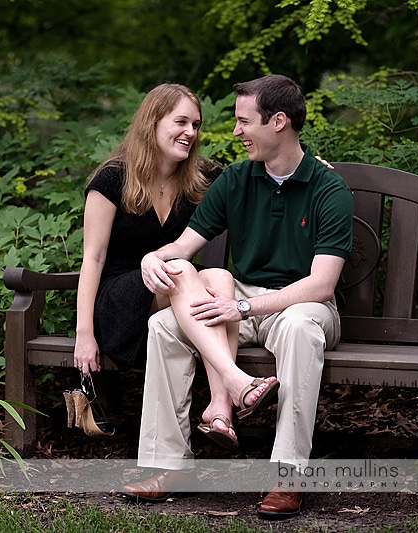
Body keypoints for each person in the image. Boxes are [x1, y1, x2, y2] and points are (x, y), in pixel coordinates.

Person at [119, 74, 354, 520]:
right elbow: (184, 247)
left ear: (279, 121)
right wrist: (155, 256)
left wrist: (243, 306)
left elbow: (322, 285)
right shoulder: (235, 180)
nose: (235, 132)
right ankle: (169, 467)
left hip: (302, 303)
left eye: (244, 121)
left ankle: (287, 478)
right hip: (242, 299)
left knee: (302, 329)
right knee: (163, 325)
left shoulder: (329, 189)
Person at [73, 83, 278, 436]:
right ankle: (235, 381)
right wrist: (84, 333)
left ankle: (219, 409)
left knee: (220, 279)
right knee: (184, 269)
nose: (190, 133)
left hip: (173, 292)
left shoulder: (198, 178)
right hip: (120, 302)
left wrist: (312, 166)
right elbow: (92, 259)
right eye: (180, 122)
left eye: (195, 125)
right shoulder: (112, 179)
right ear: (153, 122)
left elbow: (256, 177)